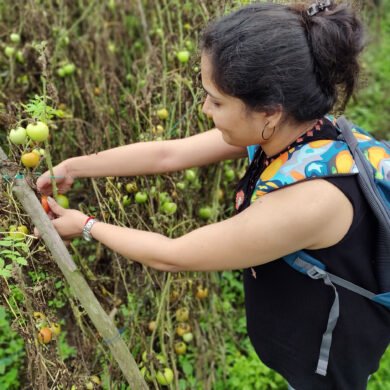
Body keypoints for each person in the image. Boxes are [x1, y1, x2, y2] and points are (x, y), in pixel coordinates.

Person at [35, 1, 390, 389]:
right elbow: (169, 154)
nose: (205, 108)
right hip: (303, 332)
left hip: (326, 363)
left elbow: (173, 254)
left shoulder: (313, 201)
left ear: (269, 112)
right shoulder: (294, 131)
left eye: (217, 101)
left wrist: (86, 226)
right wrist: (73, 167)